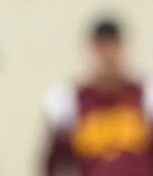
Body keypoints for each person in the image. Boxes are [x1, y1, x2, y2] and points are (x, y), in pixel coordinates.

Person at [42, 18, 153, 176]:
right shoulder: (70, 102)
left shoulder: (144, 96)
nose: (108, 55)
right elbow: (54, 162)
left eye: (113, 45)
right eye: (101, 47)